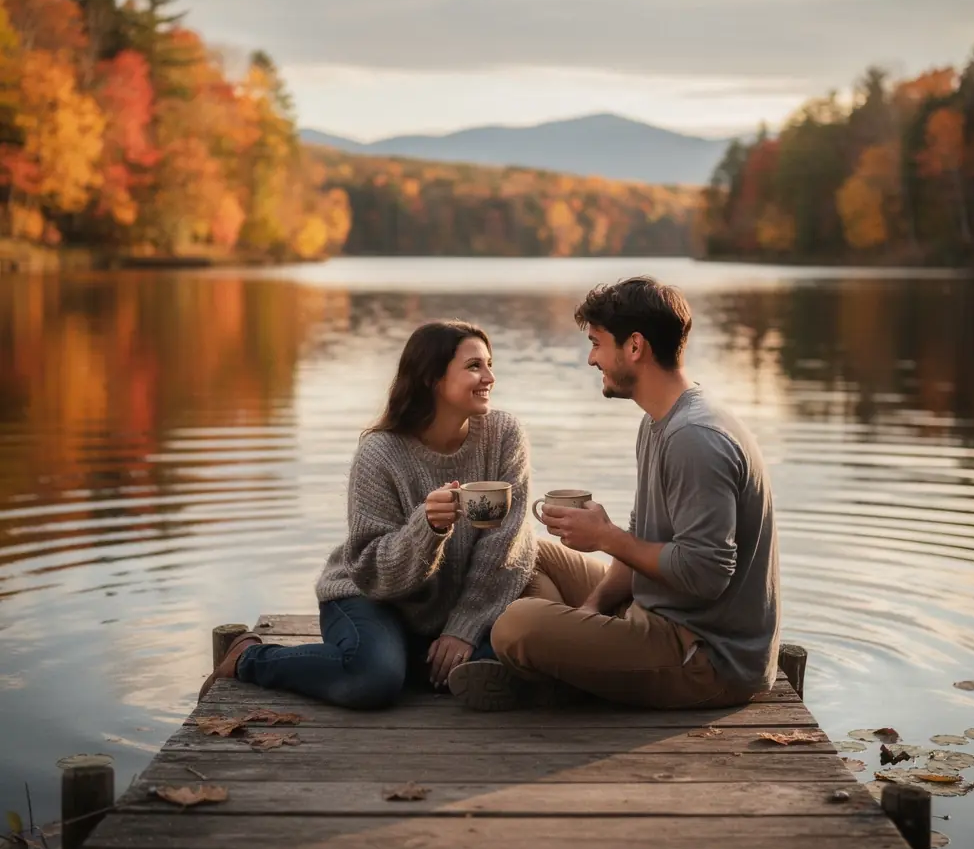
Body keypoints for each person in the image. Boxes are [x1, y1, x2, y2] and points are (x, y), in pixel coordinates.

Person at [448, 276, 779, 711]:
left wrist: (606, 537)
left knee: (514, 627)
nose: (590, 358)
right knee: (528, 553)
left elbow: (706, 574)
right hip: (656, 611)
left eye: (598, 343)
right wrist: (590, 608)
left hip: (705, 656)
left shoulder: (695, 437)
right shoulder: (660, 421)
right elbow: (644, 539)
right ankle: (560, 663)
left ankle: (546, 671)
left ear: (635, 347)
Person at [199, 320, 537, 708]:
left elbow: (508, 545)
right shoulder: (381, 454)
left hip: (452, 606)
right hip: (371, 598)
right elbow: (373, 572)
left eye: (490, 364)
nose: (490, 377)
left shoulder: (504, 435)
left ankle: (417, 660)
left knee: (519, 658)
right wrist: (427, 528)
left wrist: (463, 627)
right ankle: (248, 658)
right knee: (372, 680)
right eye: (475, 366)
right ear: (432, 378)